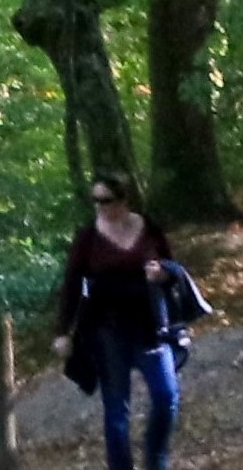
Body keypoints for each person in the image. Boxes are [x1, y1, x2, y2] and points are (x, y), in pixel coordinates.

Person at [47, 173, 209, 470]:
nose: (100, 207)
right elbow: (71, 285)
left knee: (165, 396)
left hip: (150, 326)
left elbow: (171, 268)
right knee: (116, 409)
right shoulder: (87, 238)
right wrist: (63, 332)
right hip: (107, 329)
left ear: (123, 200)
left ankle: (155, 460)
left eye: (106, 200)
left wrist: (161, 274)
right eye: (95, 201)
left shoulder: (148, 228)